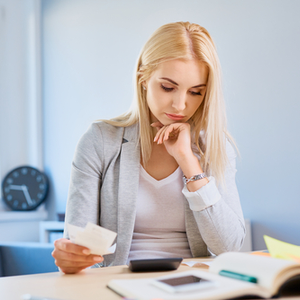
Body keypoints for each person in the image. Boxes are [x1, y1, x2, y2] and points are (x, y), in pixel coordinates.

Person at [52, 21, 245, 274]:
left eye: (195, 92)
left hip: (192, 285)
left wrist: (189, 162)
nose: (180, 105)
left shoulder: (216, 147)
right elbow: (77, 243)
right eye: (168, 87)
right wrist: (71, 258)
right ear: (143, 78)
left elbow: (229, 247)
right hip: (117, 284)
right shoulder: (99, 141)